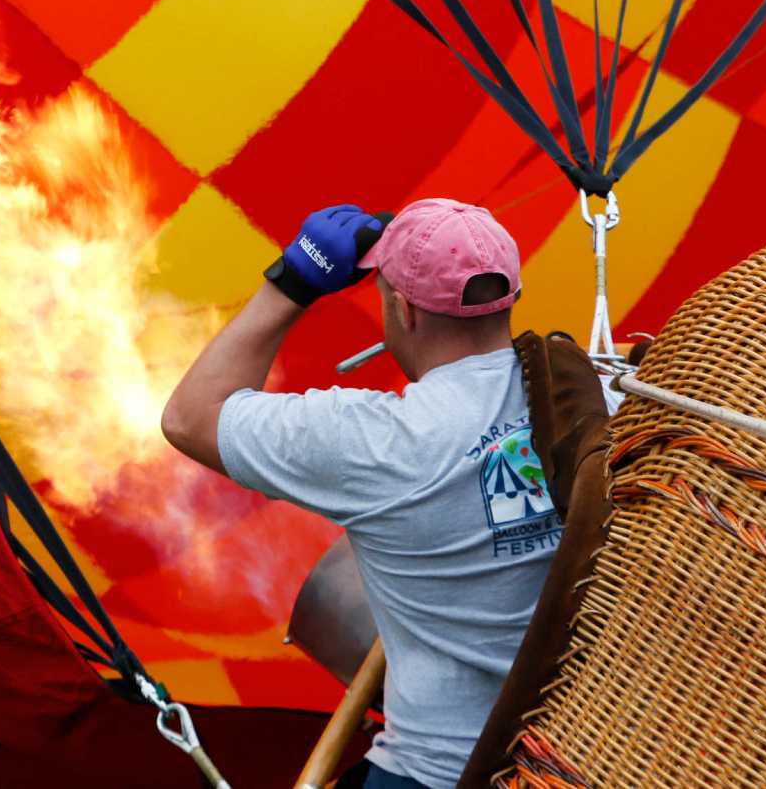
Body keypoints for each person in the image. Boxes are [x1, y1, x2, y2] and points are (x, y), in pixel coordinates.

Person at [161, 198, 566, 789]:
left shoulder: (379, 440)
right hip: (584, 756)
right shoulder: (595, 398)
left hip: (438, 774)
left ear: (403, 309)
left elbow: (189, 417)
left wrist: (292, 283)